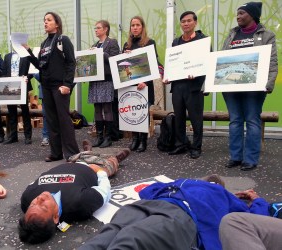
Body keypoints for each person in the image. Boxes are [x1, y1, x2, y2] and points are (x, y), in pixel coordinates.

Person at [79, 175, 270, 250]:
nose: (209, 182)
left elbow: (252, 222)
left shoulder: (223, 196)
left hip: (183, 215)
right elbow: (146, 191)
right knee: (107, 235)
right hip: (148, 206)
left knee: (132, 237)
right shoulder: (180, 183)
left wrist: (256, 200)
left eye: (213, 182)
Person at [19, 140, 130, 244]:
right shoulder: (80, 204)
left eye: (33, 204)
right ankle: (116, 159)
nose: (40, 199)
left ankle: (88, 151)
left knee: (83, 155)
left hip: (73, 161)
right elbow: (104, 190)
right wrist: (100, 172)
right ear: (55, 218)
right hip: (94, 168)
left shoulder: (27, 198)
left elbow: (36, 180)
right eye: (44, 207)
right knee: (109, 165)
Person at [222, 2, 278, 171]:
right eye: (237, 14)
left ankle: (250, 159)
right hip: (231, 86)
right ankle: (236, 157)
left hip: (255, 88)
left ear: (252, 15)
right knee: (235, 121)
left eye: (241, 13)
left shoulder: (267, 35)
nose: (238, 16)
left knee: (253, 121)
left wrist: (269, 83)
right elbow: (220, 59)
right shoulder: (232, 34)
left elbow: (272, 61)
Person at [25, 12, 79, 162]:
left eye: (49, 20)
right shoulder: (44, 44)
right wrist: (28, 51)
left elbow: (71, 63)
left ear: (57, 23)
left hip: (59, 86)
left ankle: (72, 153)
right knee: (51, 120)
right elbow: (40, 65)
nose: (45, 23)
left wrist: (67, 84)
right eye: (44, 21)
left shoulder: (63, 40)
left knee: (64, 119)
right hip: (46, 86)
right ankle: (56, 153)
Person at [163, 11, 207, 159]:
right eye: (183, 21)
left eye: (189, 21)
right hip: (177, 86)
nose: (186, 24)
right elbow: (172, 64)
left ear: (195, 22)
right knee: (179, 117)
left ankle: (196, 147)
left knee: (196, 118)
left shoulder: (203, 40)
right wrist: (168, 77)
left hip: (194, 86)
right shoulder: (176, 42)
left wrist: (198, 72)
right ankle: (180, 144)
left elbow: (207, 62)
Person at [123, 16, 164, 153]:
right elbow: (123, 67)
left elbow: (154, 64)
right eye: (132, 25)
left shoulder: (149, 43)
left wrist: (145, 81)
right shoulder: (126, 45)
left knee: (143, 112)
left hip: (145, 84)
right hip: (131, 84)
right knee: (132, 112)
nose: (134, 27)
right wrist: (125, 55)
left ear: (142, 27)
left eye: (137, 25)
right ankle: (134, 139)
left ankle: (142, 140)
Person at [89, 20, 120, 149]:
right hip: (95, 80)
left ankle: (108, 137)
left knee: (107, 109)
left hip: (107, 79)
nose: (96, 30)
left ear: (106, 29)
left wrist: (100, 53)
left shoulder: (112, 43)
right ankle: (99, 136)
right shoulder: (94, 44)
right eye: (95, 28)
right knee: (97, 109)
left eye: (98, 28)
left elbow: (114, 60)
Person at [2, 49, 33, 145]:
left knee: (25, 111)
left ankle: (28, 136)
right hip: (10, 86)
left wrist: (27, 77)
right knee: (11, 112)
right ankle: (13, 136)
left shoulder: (26, 55)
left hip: (22, 85)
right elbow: (4, 71)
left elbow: (32, 71)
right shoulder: (7, 56)